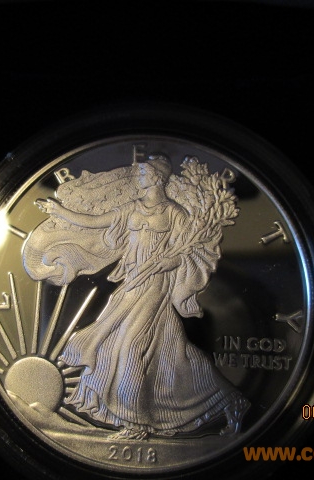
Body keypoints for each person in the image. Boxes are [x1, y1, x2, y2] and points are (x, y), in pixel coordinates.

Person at [31, 155, 249, 439]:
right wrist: (59, 212)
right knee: (170, 352)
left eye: (143, 173)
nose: (138, 176)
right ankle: (229, 400)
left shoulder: (174, 213)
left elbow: (189, 251)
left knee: (131, 345)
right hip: (133, 281)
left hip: (156, 285)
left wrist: (169, 261)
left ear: (157, 178)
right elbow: (95, 222)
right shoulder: (132, 208)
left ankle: (136, 423)